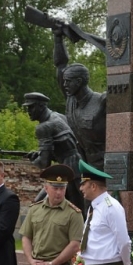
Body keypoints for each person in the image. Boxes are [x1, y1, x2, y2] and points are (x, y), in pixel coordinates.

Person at [22, 92, 84, 209]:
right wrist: (40, 153)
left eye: (31, 107)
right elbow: (67, 145)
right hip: (78, 164)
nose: (28, 111)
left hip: (68, 170)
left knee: (38, 204)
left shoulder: (44, 127)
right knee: (78, 208)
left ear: (41, 106)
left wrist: (35, 160)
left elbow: (44, 163)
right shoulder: (58, 116)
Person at [54, 35, 106, 169]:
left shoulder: (101, 101)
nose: (64, 84)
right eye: (64, 80)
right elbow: (60, 65)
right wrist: (57, 37)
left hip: (106, 166)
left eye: (68, 81)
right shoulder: (71, 100)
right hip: (84, 164)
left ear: (79, 81)